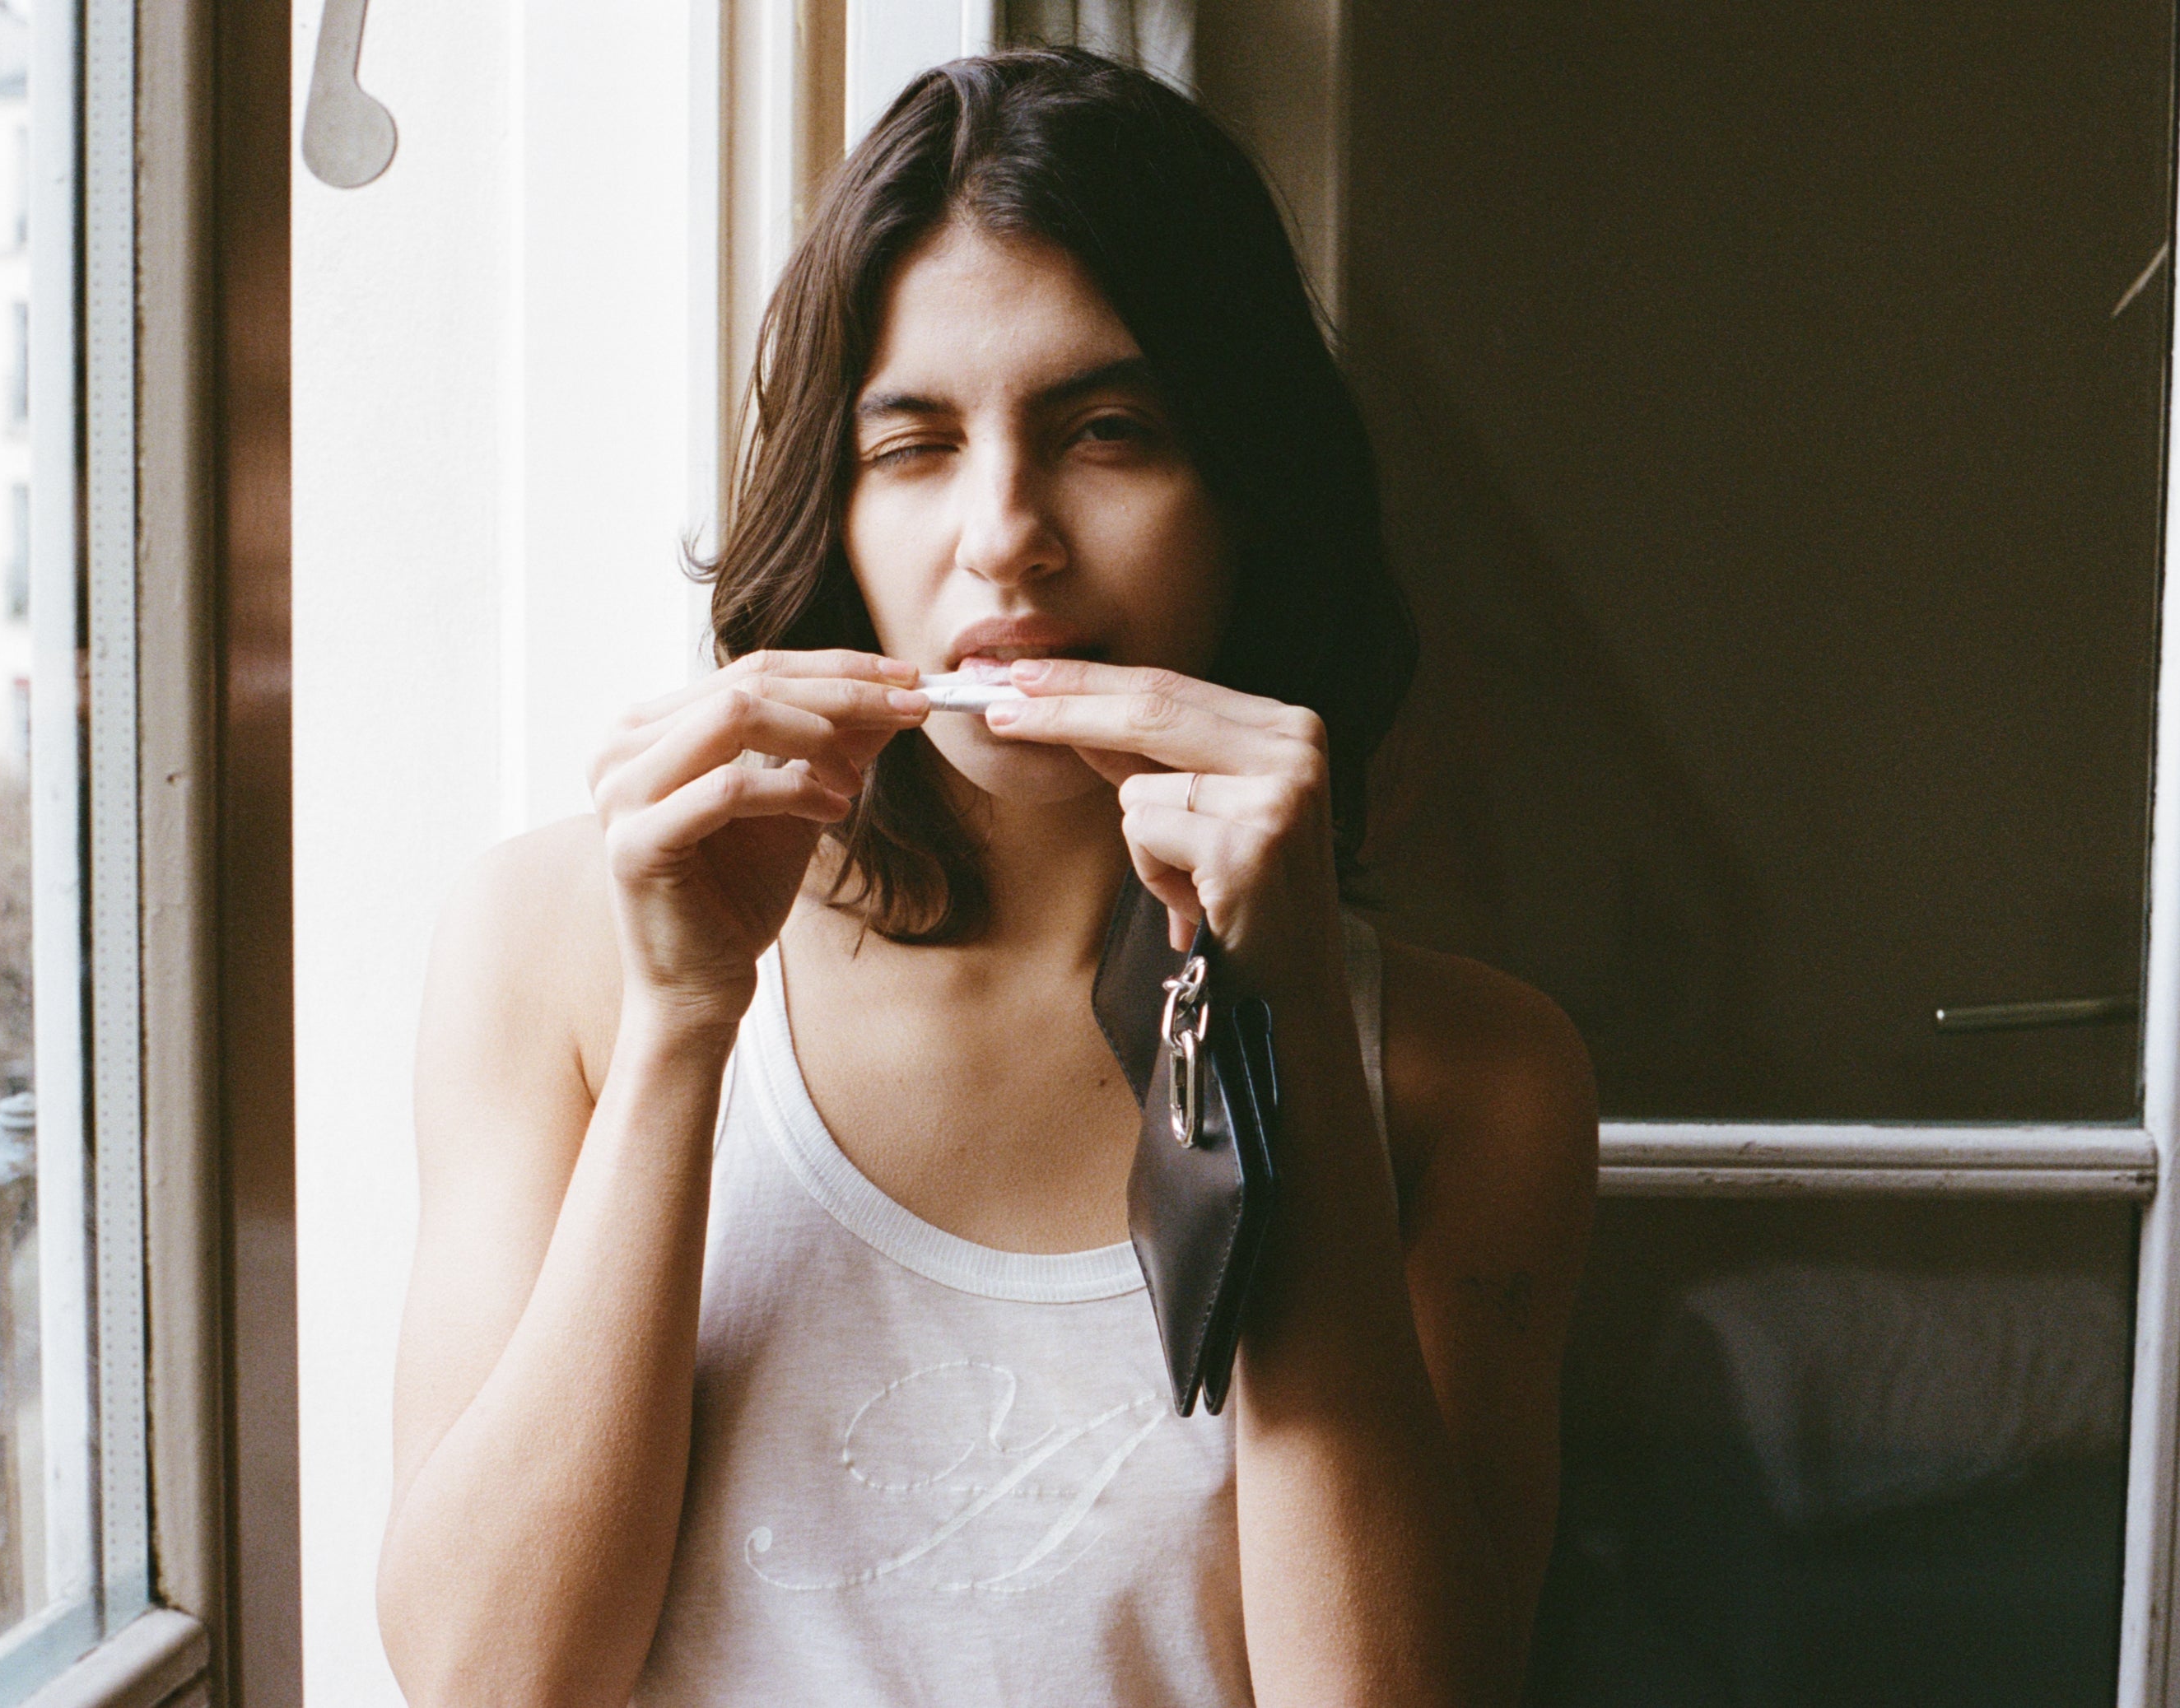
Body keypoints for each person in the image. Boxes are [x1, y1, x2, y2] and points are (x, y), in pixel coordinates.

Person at [376, 49, 1595, 1708]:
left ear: (1249, 489)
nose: (1004, 533)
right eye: (916, 444)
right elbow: (482, 1683)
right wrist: (679, 1024)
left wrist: (1288, 1014)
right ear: (836, 505)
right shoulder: (554, 948)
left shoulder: (1475, 1078)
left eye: (1108, 430)